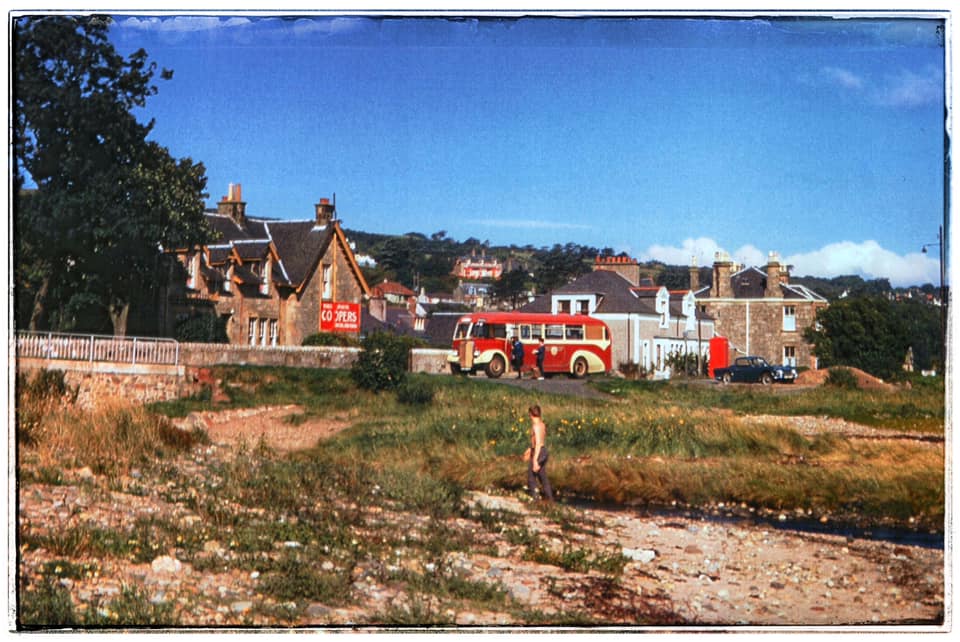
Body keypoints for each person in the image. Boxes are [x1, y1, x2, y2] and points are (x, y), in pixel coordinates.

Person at [524, 404, 553, 502]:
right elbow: (538, 442)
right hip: (542, 451)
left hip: (539, 452)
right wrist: (530, 449)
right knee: (543, 477)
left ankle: (536, 499)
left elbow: (538, 444)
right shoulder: (542, 424)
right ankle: (549, 499)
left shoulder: (536, 426)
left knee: (531, 478)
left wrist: (535, 460)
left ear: (530, 414)